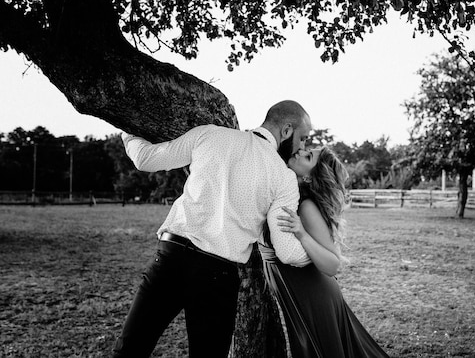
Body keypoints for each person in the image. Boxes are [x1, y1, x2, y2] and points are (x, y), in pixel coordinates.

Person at [112, 100, 314, 358]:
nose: (302, 146)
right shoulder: (283, 177)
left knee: (129, 350)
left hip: (171, 256)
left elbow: (145, 158)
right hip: (217, 274)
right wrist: (321, 250)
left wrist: (126, 129)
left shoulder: (210, 133)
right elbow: (288, 252)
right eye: (303, 138)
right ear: (287, 130)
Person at [260, 147, 390, 358]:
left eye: (308, 156)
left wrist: (301, 233)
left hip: (315, 296)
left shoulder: (306, 207)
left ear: (311, 176)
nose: (300, 152)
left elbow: (333, 264)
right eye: (306, 149)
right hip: (301, 291)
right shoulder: (287, 194)